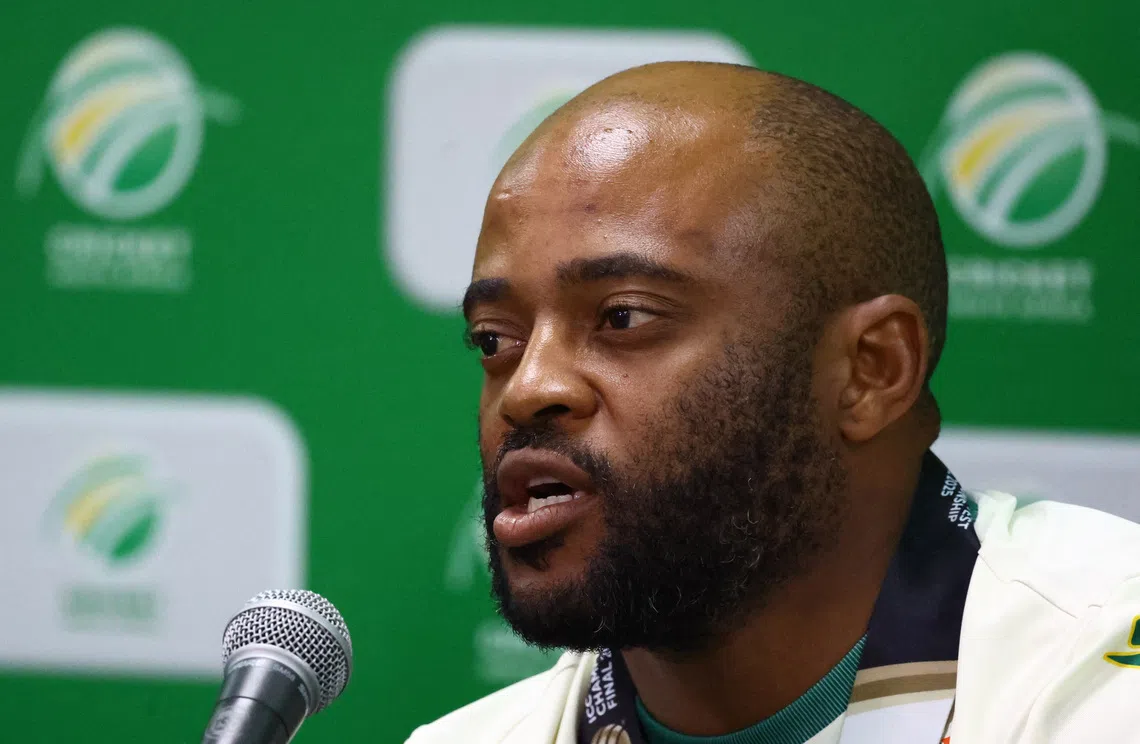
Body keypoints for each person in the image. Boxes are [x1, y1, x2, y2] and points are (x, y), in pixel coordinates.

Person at [407, 62, 1140, 744]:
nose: (528, 389)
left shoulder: (1101, 686)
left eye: (623, 317)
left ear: (872, 370)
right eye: (494, 339)